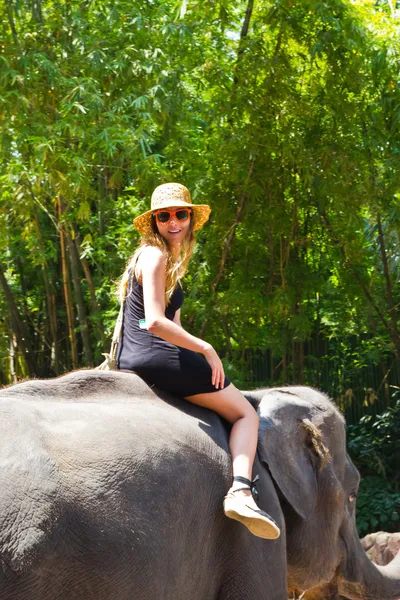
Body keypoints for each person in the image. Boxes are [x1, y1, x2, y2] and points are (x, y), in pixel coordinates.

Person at [117, 182, 280, 540]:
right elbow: (156, 322)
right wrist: (207, 350)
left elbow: (172, 325)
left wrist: (197, 353)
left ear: (190, 219)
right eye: (164, 216)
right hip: (156, 355)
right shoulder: (155, 256)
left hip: (139, 356)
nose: (173, 221)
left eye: (180, 214)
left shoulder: (161, 260)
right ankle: (240, 490)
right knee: (246, 414)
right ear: (155, 222)